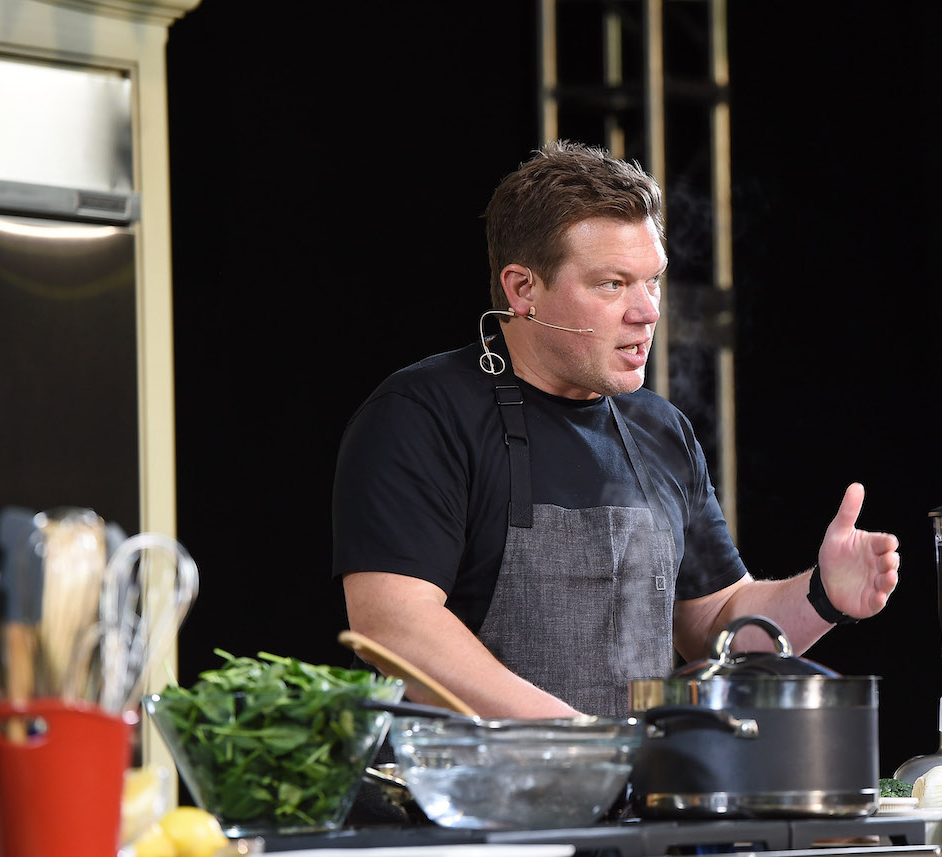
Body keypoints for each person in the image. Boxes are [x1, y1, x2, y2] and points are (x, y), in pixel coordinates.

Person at [332, 141, 899, 719]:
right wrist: (576, 740)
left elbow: (715, 626)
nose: (648, 311)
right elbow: (395, 625)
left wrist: (821, 595)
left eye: (652, 281)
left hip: (633, 797)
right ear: (523, 289)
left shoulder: (660, 428)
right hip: (465, 800)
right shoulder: (421, 414)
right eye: (612, 284)